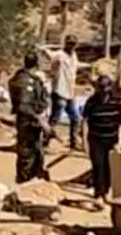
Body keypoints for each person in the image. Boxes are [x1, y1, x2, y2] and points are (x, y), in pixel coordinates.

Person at [9, 52, 49, 184]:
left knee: (35, 151)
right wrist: (39, 118)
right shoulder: (26, 81)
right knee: (27, 152)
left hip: (30, 120)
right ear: (36, 64)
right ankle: (26, 179)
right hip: (28, 122)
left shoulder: (18, 78)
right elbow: (24, 105)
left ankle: (34, 175)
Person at [83, 75, 121, 209]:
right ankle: (99, 194)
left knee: (109, 167)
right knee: (98, 165)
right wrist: (84, 141)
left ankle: (106, 192)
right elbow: (85, 121)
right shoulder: (91, 102)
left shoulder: (117, 102)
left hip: (111, 139)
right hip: (95, 139)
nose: (104, 91)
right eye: (101, 88)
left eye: (106, 87)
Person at [47, 36, 82, 150]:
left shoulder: (74, 56)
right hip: (59, 91)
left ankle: (73, 142)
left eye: (73, 44)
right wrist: (43, 50)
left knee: (75, 118)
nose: (72, 46)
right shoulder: (59, 55)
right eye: (70, 43)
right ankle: (44, 142)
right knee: (54, 119)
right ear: (66, 43)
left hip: (70, 92)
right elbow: (50, 55)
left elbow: (76, 66)